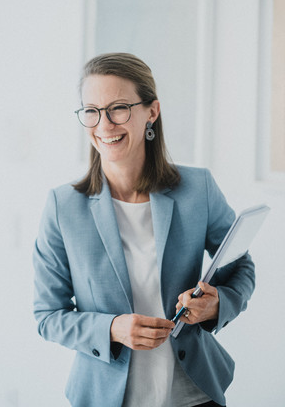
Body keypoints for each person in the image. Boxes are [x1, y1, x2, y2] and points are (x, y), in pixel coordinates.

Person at [33, 52, 255, 407]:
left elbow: (240, 266)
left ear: (151, 111)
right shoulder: (63, 207)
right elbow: (48, 316)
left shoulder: (198, 189)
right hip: (105, 395)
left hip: (194, 393)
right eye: (92, 110)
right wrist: (111, 328)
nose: (104, 125)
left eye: (118, 108)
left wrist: (217, 305)